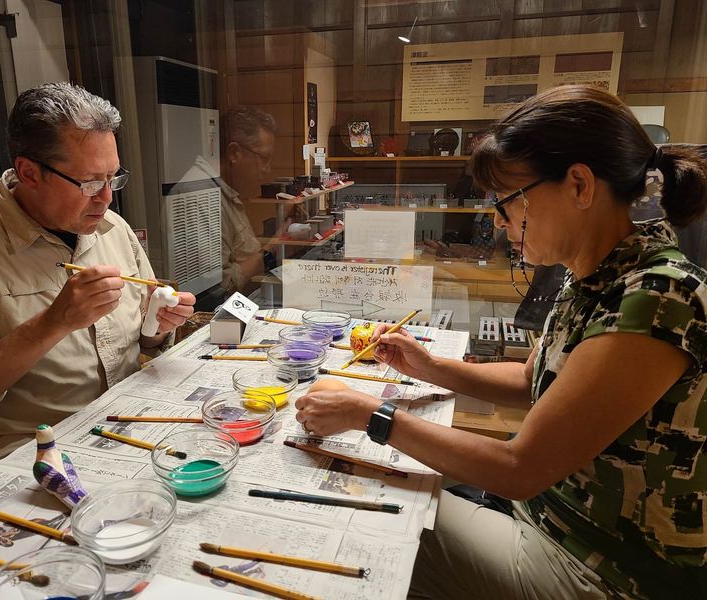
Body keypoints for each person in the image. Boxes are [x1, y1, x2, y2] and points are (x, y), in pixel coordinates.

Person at [295, 85, 707, 599]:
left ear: (579, 185)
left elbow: (519, 469)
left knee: (363, 516)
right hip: (547, 516)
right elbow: (531, 380)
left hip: (599, 567)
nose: (497, 219)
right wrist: (428, 367)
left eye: (507, 202)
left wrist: (370, 415)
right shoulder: (595, 277)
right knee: (382, 474)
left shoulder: (656, 298)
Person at [0, 83, 195, 475]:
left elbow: (142, 339)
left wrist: (158, 327)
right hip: (30, 450)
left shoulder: (111, 228)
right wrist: (54, 322)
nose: (107, 197)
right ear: (29, 173)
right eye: (90, 182)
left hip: (127, 423)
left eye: (114, 178)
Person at [219, 105, 288, 296]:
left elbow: (240, 254)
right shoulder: (203, 200)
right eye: (263, 158)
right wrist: (273, 246)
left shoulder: (229, 193)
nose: (267, 169)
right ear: (234, 153)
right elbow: (222, 287)